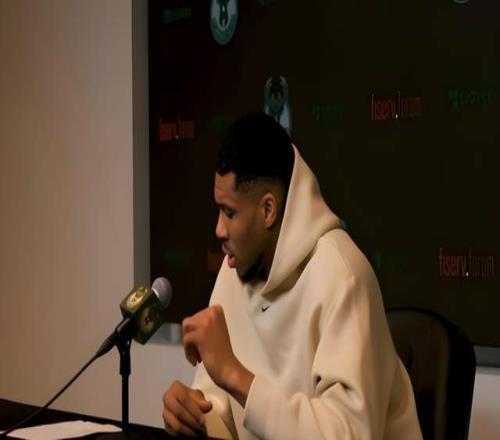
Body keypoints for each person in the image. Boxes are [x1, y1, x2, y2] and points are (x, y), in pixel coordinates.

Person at [162, 112, 423, 439]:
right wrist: (195, 416)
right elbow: (222, 410)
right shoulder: (235, 269)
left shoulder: (343, 275)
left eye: (229, 212)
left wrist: (234, 375)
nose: (219, 229)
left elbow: (348, 433)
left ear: (268, 210)